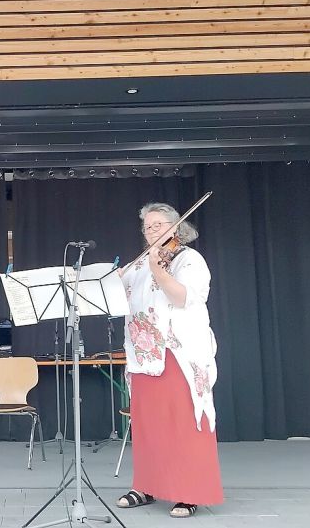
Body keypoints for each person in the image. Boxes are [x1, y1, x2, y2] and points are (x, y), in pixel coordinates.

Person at [115, 202, 223, 518]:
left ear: (175, 227)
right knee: (148, 424)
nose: (152, 231)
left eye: (159, 225)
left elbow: (182, 297)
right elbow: (119, 301)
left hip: (179, 352)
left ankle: (189, 491)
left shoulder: (189, 260)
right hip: (144, 354)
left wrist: (158, 269)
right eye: (148, 227)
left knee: (184, 422)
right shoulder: (137, 265)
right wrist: (114, 282)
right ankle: (147, 486)